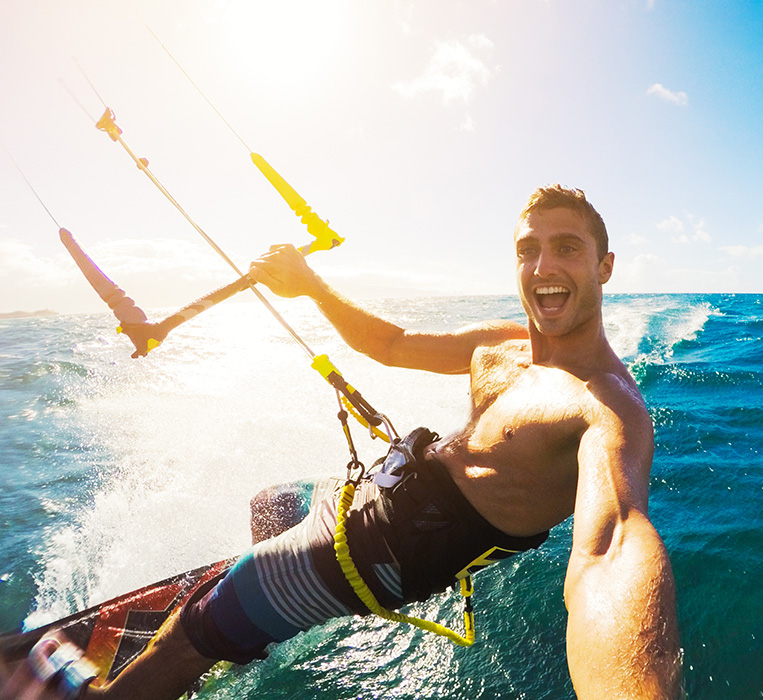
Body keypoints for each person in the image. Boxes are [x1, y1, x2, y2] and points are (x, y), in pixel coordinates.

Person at [4, 185, 681, 699]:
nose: (543, 265)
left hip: (373, 552)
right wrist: (309, 285)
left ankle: (214, 629)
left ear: (606, 266)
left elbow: (612, 551)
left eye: (566, 247)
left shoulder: (605, 406)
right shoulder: (503, 345)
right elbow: (389, 344)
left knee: (192, 633)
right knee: (270, 501)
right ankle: (254, 601)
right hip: (361, 498)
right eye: (528, 248)